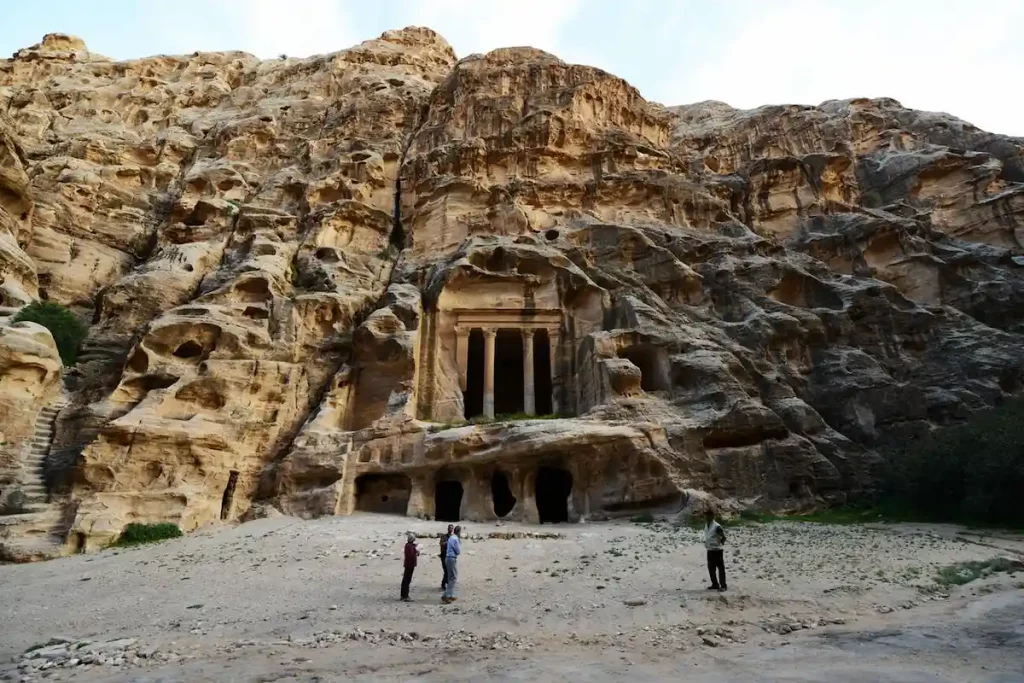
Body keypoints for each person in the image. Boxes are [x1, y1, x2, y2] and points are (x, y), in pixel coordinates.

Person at [703, 508, 727, 591]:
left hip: (717, 550)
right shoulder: (706, 525)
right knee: (711, 568)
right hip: (710, 549)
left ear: (712, 516)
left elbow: (723, 536)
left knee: (720, 568)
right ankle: (715, 584)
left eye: (708, 515)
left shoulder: (717, 526)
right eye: (706, 515)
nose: (706, 517)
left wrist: (720, 543)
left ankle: (723, 585)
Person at [442, 525, 462, 603]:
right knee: (453, 577)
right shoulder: (455, 539)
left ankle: (450, 594)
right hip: (452, 558)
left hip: (447, 558)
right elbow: (458, 551)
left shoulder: (451, 537)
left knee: (450, 576)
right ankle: (446, 595)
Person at [401, 532, 419, 602]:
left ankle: (404, 595)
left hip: (409, 564)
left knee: (406, 580)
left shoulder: (409, 545)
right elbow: (411, 555)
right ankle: (405, 596)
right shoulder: (409, 546)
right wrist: (415, 552)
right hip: (410, 565)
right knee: (407, 580)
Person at [439, 524, 454, 591]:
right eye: (450, 528)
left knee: (450, 571)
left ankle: (447, 582)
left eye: (452, 528)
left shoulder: (453, 537)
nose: (451, 529)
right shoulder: (443, 536)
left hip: (451, 556)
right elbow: (441, 544)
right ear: (448, 529)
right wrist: (448, 542)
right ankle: (443, 583)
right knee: (446, 570)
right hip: (444, 555)